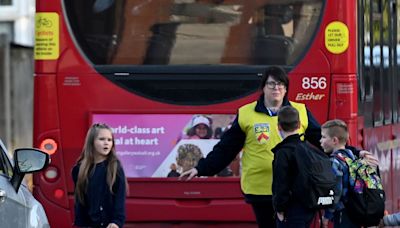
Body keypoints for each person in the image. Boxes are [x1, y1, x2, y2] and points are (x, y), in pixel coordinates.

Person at [180, 66, 323, 228]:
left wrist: (346, 153)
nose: (276, 88)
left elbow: (322, 140)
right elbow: (227, 148)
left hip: (295, 189)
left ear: (286, 89)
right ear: (263, 87)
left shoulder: (300, 111)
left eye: (281, 84)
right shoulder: (246, 114)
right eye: (271, 84)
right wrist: (201, 168)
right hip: (260, 189)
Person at [72, 123, 127, 228]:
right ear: (91, 142)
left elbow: (120, 198)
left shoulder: (115, 167)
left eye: (109, 140)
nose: (106, 143)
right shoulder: (79, 169)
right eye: (102, 139)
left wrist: (116, 221)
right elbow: (80, 202)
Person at [272, 106, 316, 227]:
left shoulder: (283, 152)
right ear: (299, 125)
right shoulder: (307, 148)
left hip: (291, 208)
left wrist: (279, 208)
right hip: (308, 206)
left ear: (278, 127)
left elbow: (281, 182)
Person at [320, 119, 359, 228]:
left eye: (323, 137)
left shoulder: (334, 162)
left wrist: (327, 215)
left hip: (342, 211)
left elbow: (336, 191)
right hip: (355, 208)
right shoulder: (352, 157)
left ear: (334, 140)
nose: (320, 141)